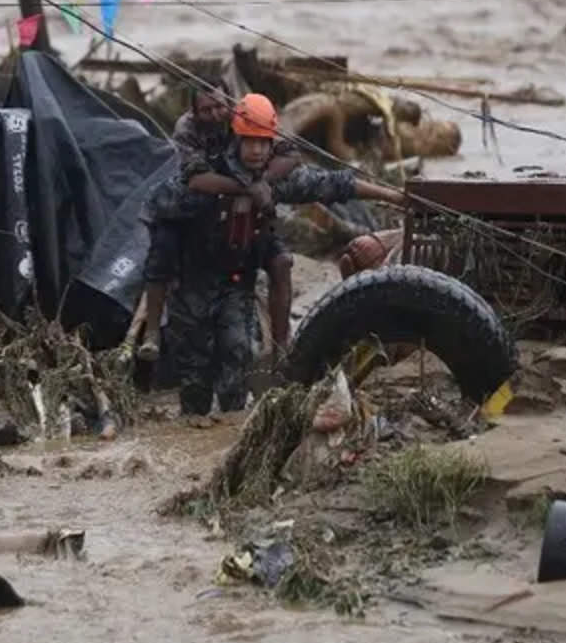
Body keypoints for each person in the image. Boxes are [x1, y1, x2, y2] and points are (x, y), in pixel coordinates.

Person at [153, 93, 406, 417]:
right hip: (192, 287)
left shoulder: (273, 179)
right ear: (236, 139)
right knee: (195, 383)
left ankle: (231, 423)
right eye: (250, 142)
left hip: (235, 284)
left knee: (239, 354)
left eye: (264, 143)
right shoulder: (206, 173)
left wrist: (393, 195)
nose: (257, 150)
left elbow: (333, 184)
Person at [138, 81, 299, 363]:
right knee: (163, 250)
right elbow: (197, 179)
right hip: (192, 201)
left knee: (280, 260)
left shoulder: (246, 115)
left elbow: (292, 153)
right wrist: (248, 188)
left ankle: (281, 346)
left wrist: (263, 182)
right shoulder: (186, 129)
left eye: (219, 106)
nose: (214, 115)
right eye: (206, 110)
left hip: (244, 200)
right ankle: (152, 331)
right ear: (194, 111)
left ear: (230, 103)